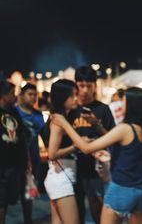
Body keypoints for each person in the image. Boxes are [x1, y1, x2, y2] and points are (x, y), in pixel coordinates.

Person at [51, 87, 142, 224]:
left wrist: (65, 125)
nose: (121, 104)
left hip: (121, 190)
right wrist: (98, 127)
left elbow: (86, 148)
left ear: (132, 105)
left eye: (124, 101)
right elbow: (133, 155)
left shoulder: (125, 129)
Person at [72, 65, 116, 224]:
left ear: (95, 86)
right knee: (76, 208)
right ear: (75, 85)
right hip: (72, 166)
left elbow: (113, 137)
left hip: (96, 168)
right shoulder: (70, 109)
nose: (84, 90)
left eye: (88, 86)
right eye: (81, 85)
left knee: (96, 204)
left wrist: (97, 125)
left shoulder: (103, 109)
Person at [43, 79, 80, 224]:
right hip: (61, 179)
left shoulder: (58, 117)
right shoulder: (59, 121)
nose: (76, 98)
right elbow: (52, 154)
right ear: (62, 97)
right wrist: (75, 147)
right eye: (73, 95)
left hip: (57, 176)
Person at [15, 83, 45, 224]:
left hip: (34, 162)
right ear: (21, 95)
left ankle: (28, 220)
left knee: (28, 194)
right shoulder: (13, 113)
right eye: (30, 94)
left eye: (35, 95)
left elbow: (45, 137)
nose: (33, 98)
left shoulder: (38, 115)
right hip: (15, 162)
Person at [0, 80, 28, 224]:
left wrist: (26, 162)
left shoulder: (14, 111)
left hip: (15, 165)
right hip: (1, 166)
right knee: (1, 202)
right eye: (12, 94)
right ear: (3, 95)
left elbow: (22, 136)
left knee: (12, 198)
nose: (15, 96)